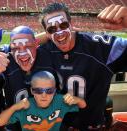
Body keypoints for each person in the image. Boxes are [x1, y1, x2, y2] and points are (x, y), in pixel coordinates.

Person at [39, 2, 127, 130]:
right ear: (46, 33)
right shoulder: (43, 52)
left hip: (94, 125)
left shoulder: (100, 47)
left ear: (71, 24)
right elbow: (13, 51)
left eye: (63, 25)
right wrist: (36, 39)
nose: (59, 33)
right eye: (51, 29)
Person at [0, 26, 57, 130]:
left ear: (36, 44)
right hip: (16, 126)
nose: (22, 53)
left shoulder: (47, 55)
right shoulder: (5, 61)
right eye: (16, 48)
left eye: (28, 46)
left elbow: (56, 35)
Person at [0, 71, 86, 131]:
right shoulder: (25, 106)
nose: (44, 95)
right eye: (38, 91)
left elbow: (83, 105)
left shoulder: (60, 101)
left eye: (49, 91)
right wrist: (15, 107)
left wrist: (76, 99)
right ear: (32, 91)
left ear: (55, 90)